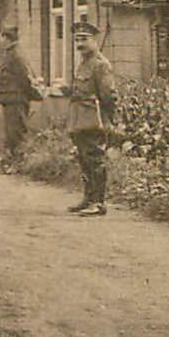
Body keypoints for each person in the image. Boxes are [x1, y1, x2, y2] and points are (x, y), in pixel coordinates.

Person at [68, 19, 117, 216]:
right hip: (80, 118)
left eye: (84, 39)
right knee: (83, 158)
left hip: (95, 118)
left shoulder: (100, 65)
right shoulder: (83, 63)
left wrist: (108, 120)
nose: (80, 44)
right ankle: (88, 198)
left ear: (94, 40)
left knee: (96, 159)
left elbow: (108, 95)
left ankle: (98, 202)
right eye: (77, 39)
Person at [0, 26, 43, 168]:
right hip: (10, 99)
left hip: (16, 99)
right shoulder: (11, 53)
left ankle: (19, 162)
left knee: (16, 132)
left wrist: (32, 93)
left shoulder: (16, 55)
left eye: (2, 37)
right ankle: (13, 161)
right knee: (12, 132)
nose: (0, 41)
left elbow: (24, 77)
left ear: (7, 38)